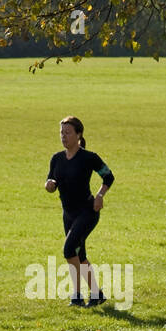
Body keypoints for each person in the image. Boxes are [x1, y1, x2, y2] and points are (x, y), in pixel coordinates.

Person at [45, 115, 114, 306]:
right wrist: (49, 185)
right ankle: (96, 295)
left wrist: (100, 196)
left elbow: (108, 177)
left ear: (79, 134)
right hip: (68, 214)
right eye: (61, 133)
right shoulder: (57, 158)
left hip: (87, 211)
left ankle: (76, 296)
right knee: (79, 255)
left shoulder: (88, 157)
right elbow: (51, 181)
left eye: (68, 132)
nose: (63, 136)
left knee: (68, 250)